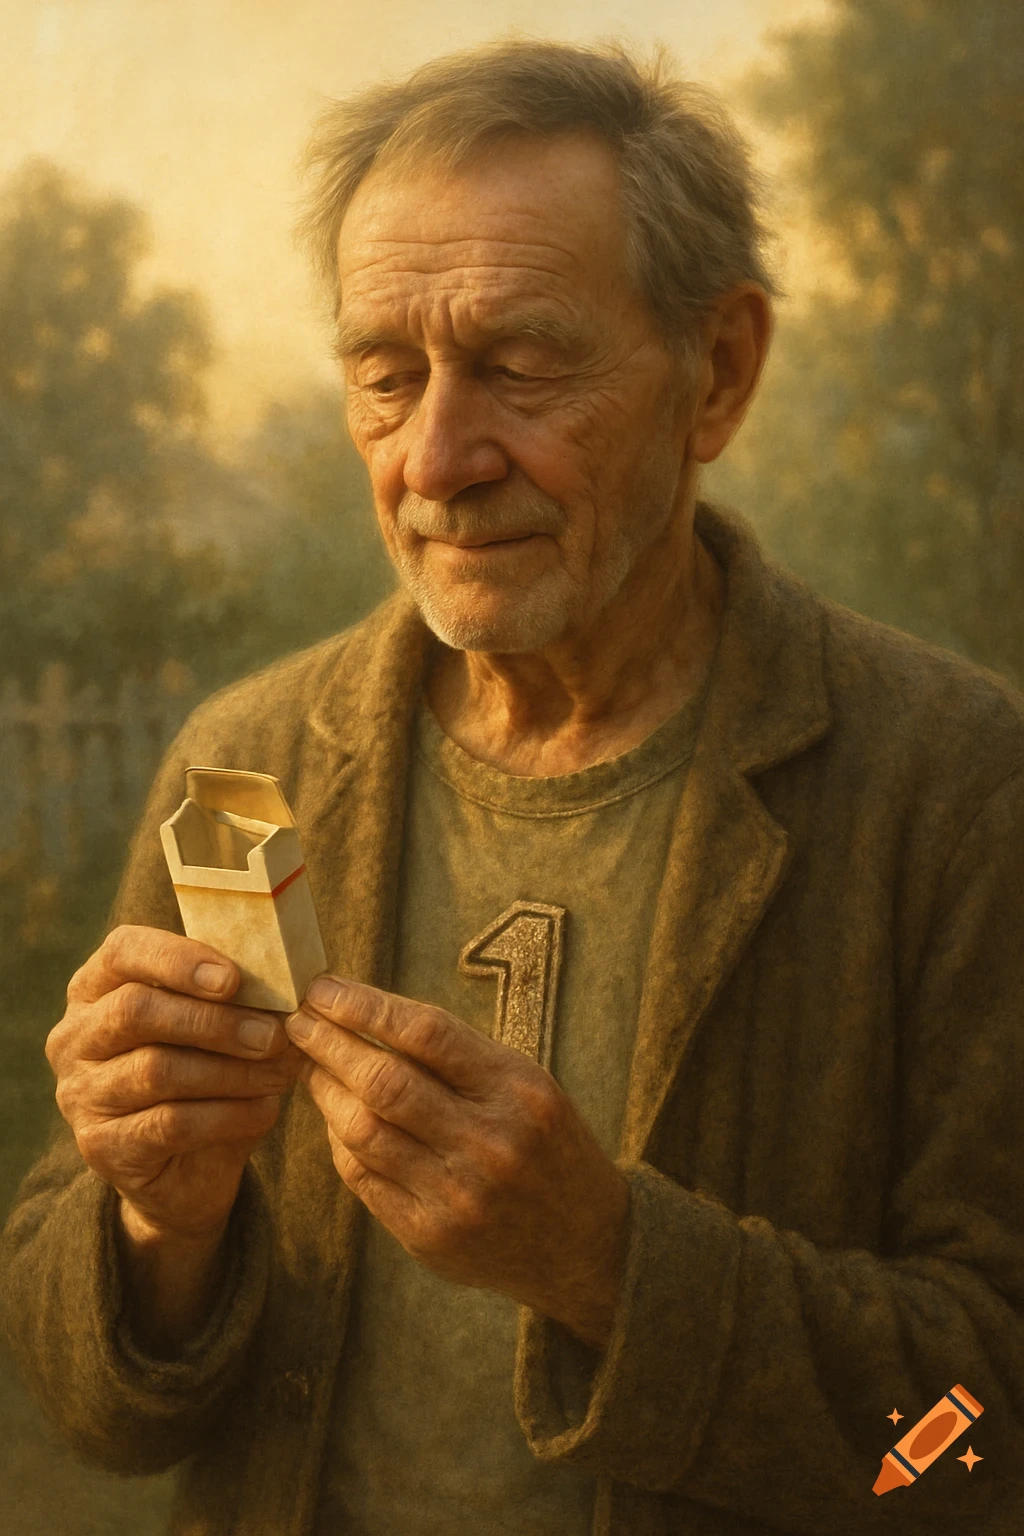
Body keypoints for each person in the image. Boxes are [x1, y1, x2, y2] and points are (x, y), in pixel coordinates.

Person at [3, 37, 1023, 1536]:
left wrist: (607, 1265)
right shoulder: (246, 765)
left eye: (522, 365)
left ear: (719, 372)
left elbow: (971, 1445)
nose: (436, 458)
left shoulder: (959, 790)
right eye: (385, 373)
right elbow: (88, 1409)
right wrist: (162, 1213)